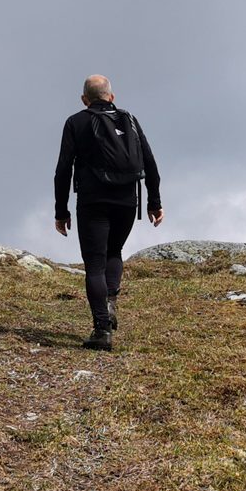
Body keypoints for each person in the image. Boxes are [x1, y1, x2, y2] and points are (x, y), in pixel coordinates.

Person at [54, 74, 163, 351]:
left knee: (94, 263)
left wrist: (61, 210)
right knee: (114, 251)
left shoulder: (75, 122)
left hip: (93, 202)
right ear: (112, 97)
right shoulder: (130, 120)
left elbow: (63, 169)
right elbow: (149, 162)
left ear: (84, 99)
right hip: (127, 201)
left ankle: (102, 329)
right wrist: (154, 203)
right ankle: (110, 302)